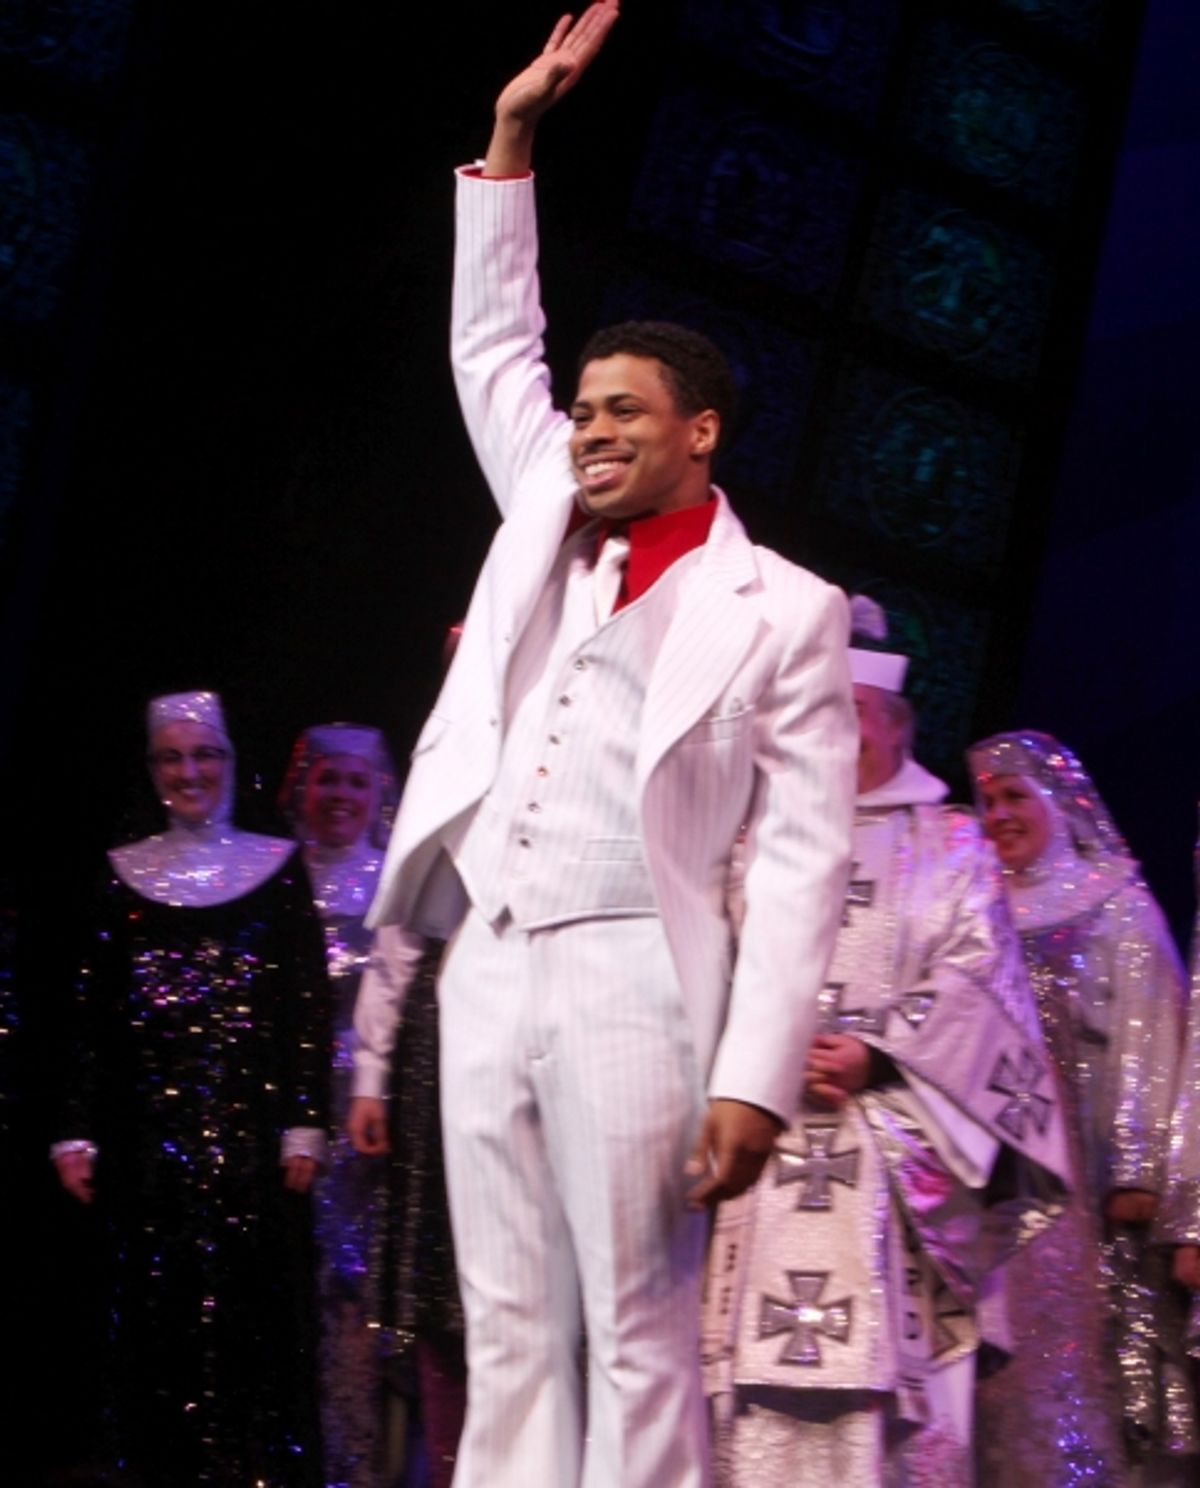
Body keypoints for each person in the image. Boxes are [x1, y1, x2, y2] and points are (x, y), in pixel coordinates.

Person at [364, 6, 858, 1485]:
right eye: (578, 411)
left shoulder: (786, 610)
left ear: (699, 433)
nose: (584, 430)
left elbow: (800, 857)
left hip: (637, 969)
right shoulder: (543, 527)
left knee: (635, 1328)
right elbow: (488, 341)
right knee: (509, 1322)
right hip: (495, 956)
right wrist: (512, 139)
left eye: (621, 411)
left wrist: (754, 1076)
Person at [703, 599, 1070, 1486]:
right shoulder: (756, 839)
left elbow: (986, 986)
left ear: (897, 729)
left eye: (854, 717)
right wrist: (759, 1047)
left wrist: (881, 1055)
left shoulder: (952, 846)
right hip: (764, 1132)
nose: (835, 735)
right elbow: (707, 961)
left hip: (895, 1152)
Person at [53, 689, 330, 1487]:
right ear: (152, 769)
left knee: (256, 1312)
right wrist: (74, 1128)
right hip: (147, 1144)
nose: (190, 770)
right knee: (157, 1314)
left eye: (204, 753)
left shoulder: (275, 871)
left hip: (256, 1137)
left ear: (231, 762)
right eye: (172, 757)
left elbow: (305, 1003)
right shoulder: (121, 876)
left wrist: (305, 1122)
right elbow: (89, 1014)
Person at [970, 730, 1197, 1485]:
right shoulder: (968, 903)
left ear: (1058, 804)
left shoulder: (1114, 907)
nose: (997, 813)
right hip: (985, 1176)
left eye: (1014, 796)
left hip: (1087, 1183)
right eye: (985, 799)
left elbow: (1148, 1037)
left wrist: (1133, 1169)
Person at [280, 722, 399, 1488]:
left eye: (357, 782)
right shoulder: (269, 880)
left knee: (360, 1292)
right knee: (292, 1283)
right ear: (302, 788)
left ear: (379, 792)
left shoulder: (396, 883)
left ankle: (360, 1463)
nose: (342, 796)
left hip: (367, 1120)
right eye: (329, 779)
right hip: (286, 1113)